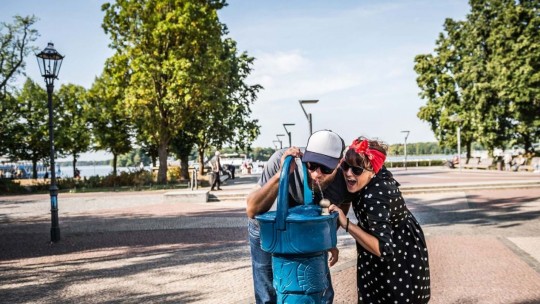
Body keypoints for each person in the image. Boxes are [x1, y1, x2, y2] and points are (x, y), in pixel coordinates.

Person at [246, 130, 356, 304]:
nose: (316, 174)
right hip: (269, 229)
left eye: (326, 168)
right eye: (312, 165)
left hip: (307, 231)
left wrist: (328, 240)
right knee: (268, 293)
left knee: (320, 290)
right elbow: (252, 209)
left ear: (339, 163)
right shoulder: (281, 160)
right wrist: (280, 175)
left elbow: (343, 203)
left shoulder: (344, 178)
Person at [329, 137, 431, 304]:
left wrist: (346, 224)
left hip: (396, 260)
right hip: (397, 245)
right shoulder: (372, 176)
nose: (348, 173)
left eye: (356, 170)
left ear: (373, 171)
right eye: (345, 166)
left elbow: (383, 249)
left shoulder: (374, 196)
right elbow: (347, 198)